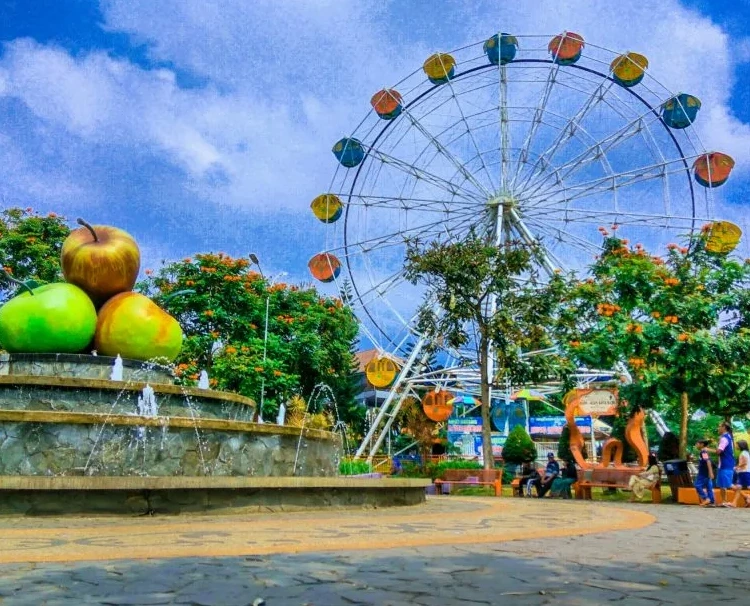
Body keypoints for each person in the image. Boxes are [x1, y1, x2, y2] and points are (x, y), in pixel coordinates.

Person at [713, 421, 735, 506]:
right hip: (724, 464)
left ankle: (746, 496)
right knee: (723, 485)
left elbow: (719, 451)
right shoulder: (728, 437)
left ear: (724, 428)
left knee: (728, 484)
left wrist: (707, 449)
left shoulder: (724, 438)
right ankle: (724, 501)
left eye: (719, 426)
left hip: (726, 465)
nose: (718, 428)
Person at [727, 439, 750, 508]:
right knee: (738, 488)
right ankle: (735, 503)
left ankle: (743, 499)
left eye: (737, 444)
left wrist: (736, 467)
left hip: (744, 472)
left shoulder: (744, 453)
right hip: (743, 472)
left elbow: (745, 463)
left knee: (746, 487)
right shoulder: (745, 452)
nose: (736, 446)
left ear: (741, 445)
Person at [694, 439, 715, 507]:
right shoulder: (703, 451)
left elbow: (708, 461)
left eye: (697, 443)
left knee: (697, 485)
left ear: (702, 444)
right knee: (709, 486)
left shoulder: (703, 452)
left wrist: (711, 472)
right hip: (705, 472)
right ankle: (711, 501)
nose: (696, 445)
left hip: (704, 473)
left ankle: (706, 498)